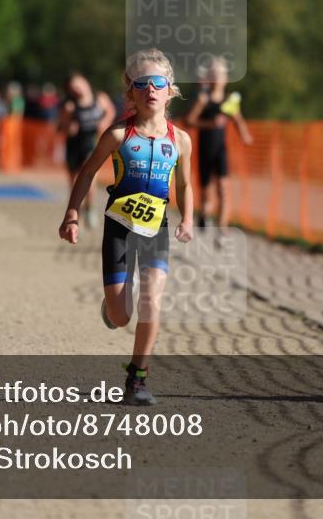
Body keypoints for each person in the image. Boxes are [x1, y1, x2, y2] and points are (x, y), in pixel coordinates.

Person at [58, 49, 194, 406]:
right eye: (142, 83)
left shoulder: (180, 141)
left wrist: (189, 219)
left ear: (170, 91)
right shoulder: (118, 135)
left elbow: (185, 185)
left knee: (152, 300)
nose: (151, 88)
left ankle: (137, 377)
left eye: (158, 82)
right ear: (130, 92)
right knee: (121, 317)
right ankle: (112, 307)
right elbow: (87, 172)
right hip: (119, 226)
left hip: (156, 228)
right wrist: (72, 213)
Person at [184, 56, 252, 228]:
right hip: (205, 149)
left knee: (223, 189)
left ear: (226, 78)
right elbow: (188, 120)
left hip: (221, 150)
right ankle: (205, 214)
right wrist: (209, 124)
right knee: (207, 194)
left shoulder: (229, 100)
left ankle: (222, 230)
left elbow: (238, 119)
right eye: (214, 74)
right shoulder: (203, 99)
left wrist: (245, 135)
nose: (217, 78)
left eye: (220, 74)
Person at [58, 72, 116, 228]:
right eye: (74, 87)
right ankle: (76, 212)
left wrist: (105, 121)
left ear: (86, 82)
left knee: (90, 175)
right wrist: (70, 126)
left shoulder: (100, 99)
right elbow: (63, 126)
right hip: (74, 145)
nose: (78, 88)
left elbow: (111, 111)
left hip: (92, 144)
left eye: (80, 84)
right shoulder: (70, 105)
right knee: (74, 182)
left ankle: (90, 207)